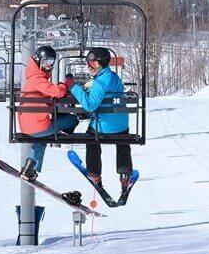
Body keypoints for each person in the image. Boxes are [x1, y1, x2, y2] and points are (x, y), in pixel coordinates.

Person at [67, 47, 133, 195]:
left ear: (102, 63)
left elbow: (90, 106)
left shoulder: (100, 81)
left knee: (91, 139)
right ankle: (125, 174)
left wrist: (73, 87)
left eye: (93, 64)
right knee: (123, 140)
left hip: (104, 128)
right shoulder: (114, 77)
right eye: (88, 63)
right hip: (122, 124)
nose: (89, 67)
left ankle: (94, 174)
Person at [18, 45, 78, 176]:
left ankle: (30, 169)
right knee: (72, 119)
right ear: (38, 60)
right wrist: (64, 85)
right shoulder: (37, 79)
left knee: (42, 139)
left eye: (51, 62)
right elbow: (57, 92)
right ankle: (62, 133)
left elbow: (48, 93)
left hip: (30, 128)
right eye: (46, 62)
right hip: (38, 127)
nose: (49, 66)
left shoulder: (33, 79)